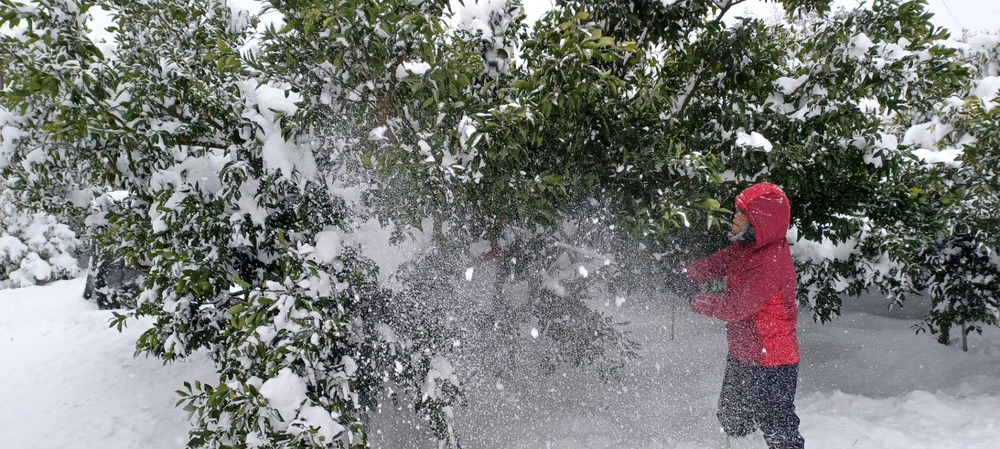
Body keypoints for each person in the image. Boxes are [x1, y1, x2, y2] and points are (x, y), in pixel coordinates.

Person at [672, 182, 805, 449]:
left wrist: (694, 298)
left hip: (772, 361)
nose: (735, 217)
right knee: (733, 420)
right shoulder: (748, 248)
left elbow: (736, 308)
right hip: (744, 353)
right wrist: (686, 276)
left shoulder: (771, 263)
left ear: (760, 222)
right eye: (737, 211)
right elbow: (718, 263)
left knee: (778, 429)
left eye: (743, 214)